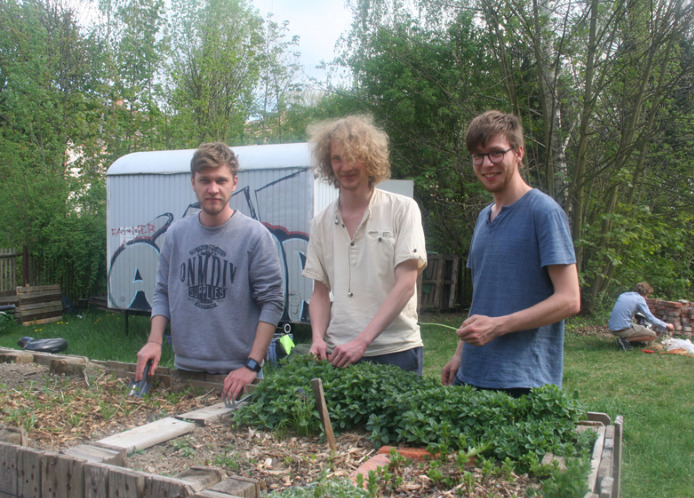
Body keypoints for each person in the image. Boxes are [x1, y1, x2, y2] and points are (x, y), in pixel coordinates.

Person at [441, 110, 580, 397]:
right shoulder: (483, 218)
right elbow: (483, 296)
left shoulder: (544, 212)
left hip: (522, 381)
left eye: (495, 153)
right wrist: (461, 353)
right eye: (477, 156)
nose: (486, 164)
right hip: (473, 374)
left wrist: (498, 326)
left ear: (518, 153)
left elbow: (569, 300)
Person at [135, 142, 284, 402]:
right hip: (184, 370)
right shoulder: (176, 235)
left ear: (234, 183)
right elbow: (162, 292)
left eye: (221, 180)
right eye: (205, 180)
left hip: (237, 376)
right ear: (193, 182)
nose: (213, 189)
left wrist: (251, 365)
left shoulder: (254, 236)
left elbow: (272, 302)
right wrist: (154, 341)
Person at [303, 115, 428, 375]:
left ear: (370, 158)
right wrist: (317, 337)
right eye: (337, 158)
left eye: (353, 156)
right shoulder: (320, 222)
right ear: (328, 163)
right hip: (338, 353)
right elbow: (319, 291)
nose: (345, 166)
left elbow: (406, 285)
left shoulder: (403, 209)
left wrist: (362, 341)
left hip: (396, 351)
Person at [608, 282, 673, 350]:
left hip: (612, 326)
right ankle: (626, 340)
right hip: (622, 328)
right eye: (647, 295)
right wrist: (666, 325)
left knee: (638, 327)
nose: (647, 298)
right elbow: (651, 318)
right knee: (652, 335)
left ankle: (631, 341)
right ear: (644, 293)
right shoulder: (639, 299)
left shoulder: (623, 295)